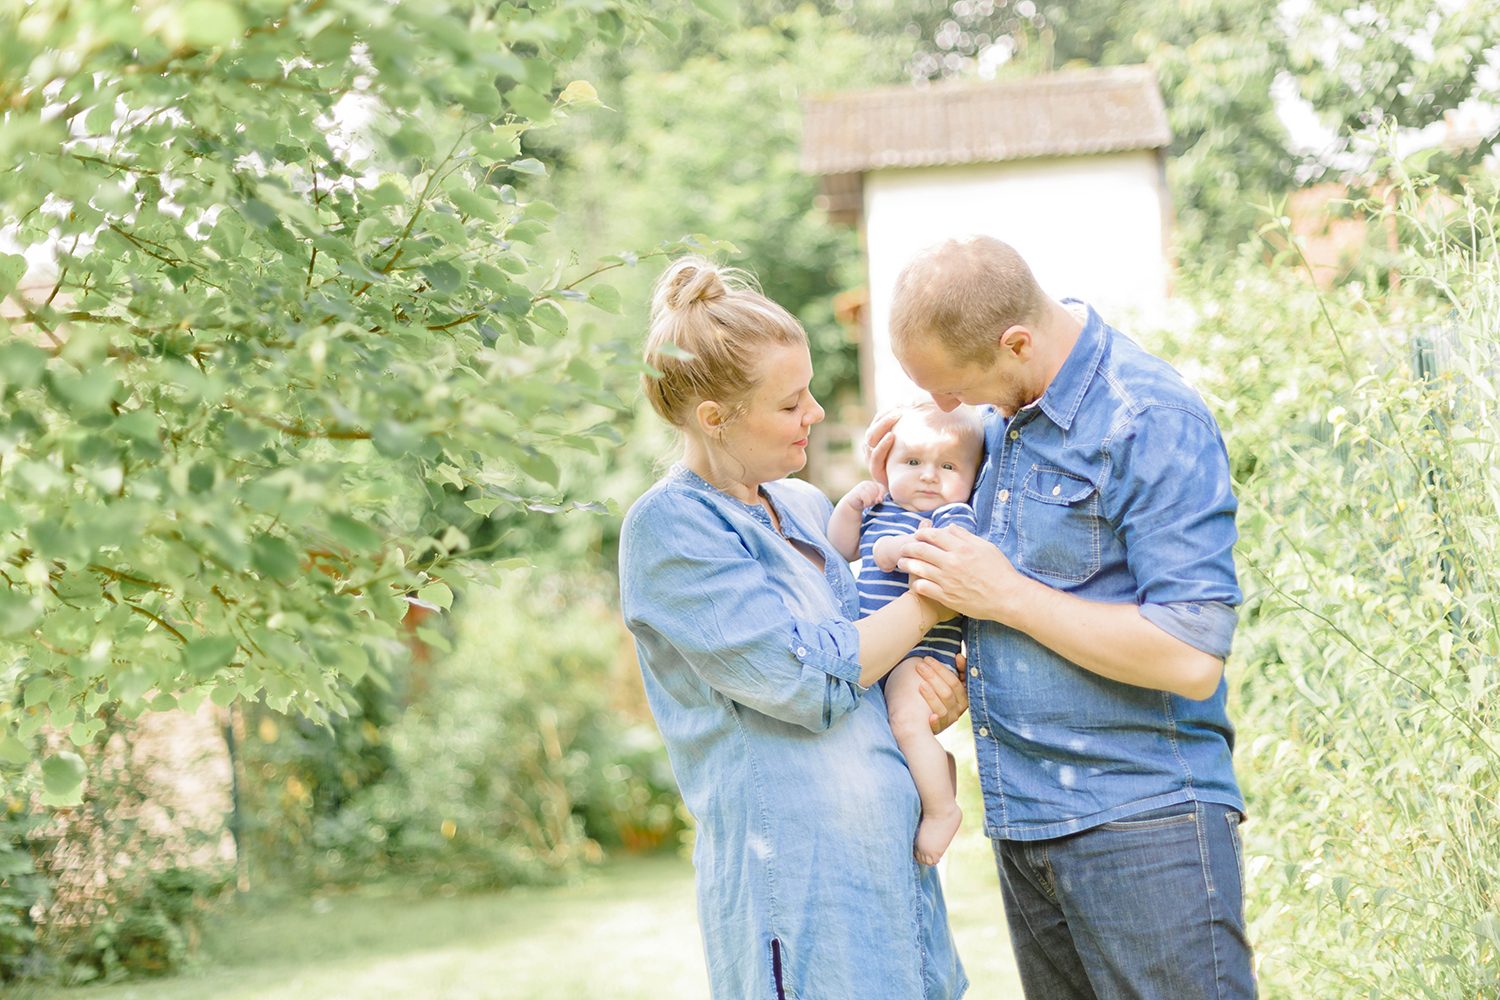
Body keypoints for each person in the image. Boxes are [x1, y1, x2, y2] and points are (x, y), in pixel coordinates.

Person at [868, 235, 1255, 999]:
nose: (949, 409)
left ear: (1016, 342)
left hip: (1144, 826)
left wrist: (1004, 596)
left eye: (954, 387)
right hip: (1026, 825)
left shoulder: (1148, 419)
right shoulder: (1001, 416)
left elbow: (1189, 654)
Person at [618, 256, 969, 999]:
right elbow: (810, 681)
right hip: (804, 898)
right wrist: (939, 598)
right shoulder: (672, 528)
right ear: (715, 418)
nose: (813, 412)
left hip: (891, 882)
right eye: (790, 402)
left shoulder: (807, 507)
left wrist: (936, 684)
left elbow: (873, 656)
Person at [827, 402, 984, 866]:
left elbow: (936, 563)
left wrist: (895, 549)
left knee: (906, 723)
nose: (929, 476)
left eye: (949, 465)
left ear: (972, 477)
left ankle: (942, 810)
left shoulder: (954, 516)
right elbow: (839, 549)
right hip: (883, 649)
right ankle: (939, 773)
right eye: (912, 462)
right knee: (893, 732)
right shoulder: (884, 508)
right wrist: (850, 505)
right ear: (886, 464)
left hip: (919, 655)